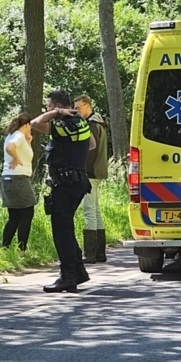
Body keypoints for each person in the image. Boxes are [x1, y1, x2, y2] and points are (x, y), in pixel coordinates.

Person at [30, 89, 96, 293]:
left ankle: (68, 276)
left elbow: (34, 123)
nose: (47, 109)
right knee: (66, 228)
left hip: (67, 183)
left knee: (61, 231)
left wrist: (56, 114)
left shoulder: (65, 124)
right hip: (78, 181)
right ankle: (78, 272)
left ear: (57, 106)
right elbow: (92, 144)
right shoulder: (81, 122)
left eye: (49, 106)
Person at [73, 95, 108, 264]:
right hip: (97, 171)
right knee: (95, 210)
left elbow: (89, 151)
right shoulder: (99, 123)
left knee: (89, 211)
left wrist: (82, 170)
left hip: (90, 172)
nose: (76, 111)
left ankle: (91, 254)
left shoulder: (92, 125)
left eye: (78, 108)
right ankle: (100, 254)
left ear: (87, 106)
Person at [0, 112, 36, 253]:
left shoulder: (14, 135)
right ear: (26, 125)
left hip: (9, 179)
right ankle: (22, 249)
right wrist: (15, 158)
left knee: (14, 216)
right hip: (18, 179)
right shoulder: (19, 135)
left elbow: (24, 155)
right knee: (27, 213)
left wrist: (29, 142)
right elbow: (10, 147)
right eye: (30, 126)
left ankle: (5, 248)